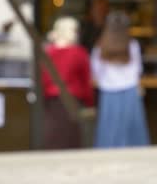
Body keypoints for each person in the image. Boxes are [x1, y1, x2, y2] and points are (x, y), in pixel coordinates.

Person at [91, 11, 149, 148]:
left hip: (109, 92)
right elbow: (137, 70)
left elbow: (95, 71)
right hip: (130, 90)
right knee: (132, 131)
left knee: (109, 129)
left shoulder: (100, 47)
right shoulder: (132, 45)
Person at [41, 17, 94, 149]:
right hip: (73, 100)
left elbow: (43, 79)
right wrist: (90, 102)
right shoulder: (79, 53)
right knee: (71, 138)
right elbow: (86, 80)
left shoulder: (48, 52)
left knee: (54, 135)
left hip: (52, 101)